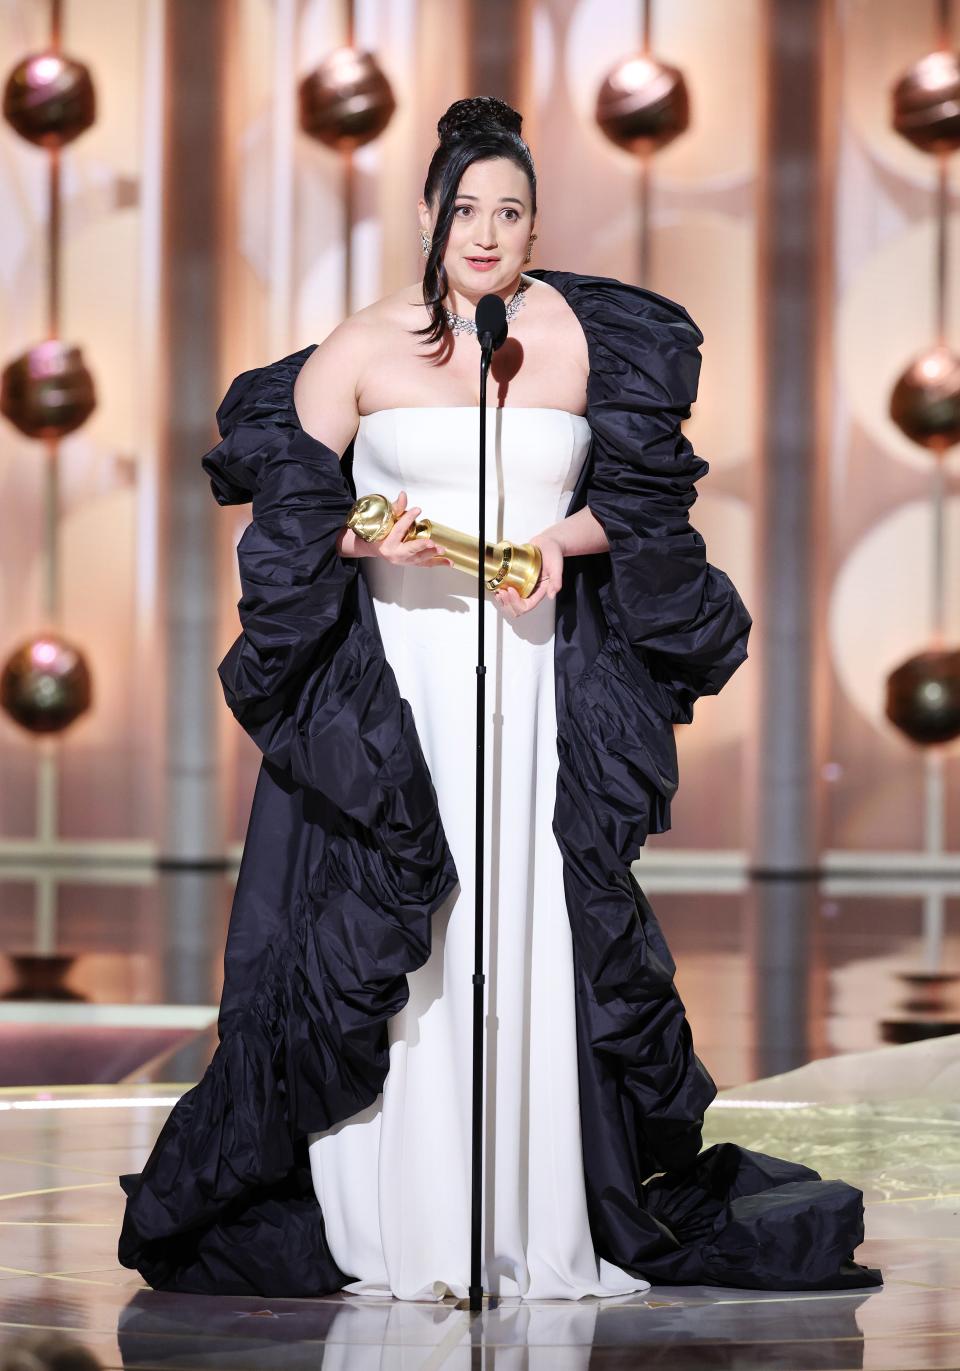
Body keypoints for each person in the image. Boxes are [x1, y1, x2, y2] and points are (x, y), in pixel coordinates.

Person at [118, 96, 882, 1300]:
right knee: (406, 932)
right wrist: (376, 537)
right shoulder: (360, 348)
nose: (485, 231)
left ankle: (532, 1205)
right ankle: (393, 1215)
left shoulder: (584, 341)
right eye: (465, 209)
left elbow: (635, 509)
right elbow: (291, 519)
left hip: (528, 679)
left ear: (535, 227)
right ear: (428, 215)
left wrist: (553, 546)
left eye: (509, 212)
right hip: (400, 684)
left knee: (522, 920)